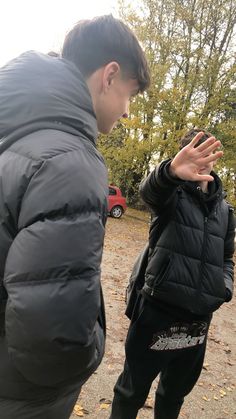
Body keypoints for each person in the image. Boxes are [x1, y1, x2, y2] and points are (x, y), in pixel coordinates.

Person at [0, 15, 150, 419]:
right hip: (26, 397)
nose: (125, 111)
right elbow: (54, 339)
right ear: (110, 75)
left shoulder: (17, 134)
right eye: (129, 95)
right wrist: (94, 350)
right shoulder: (71, 162)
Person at [110, 129, 235, 419]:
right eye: (195, 152)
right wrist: (170, 173)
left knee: (173, 395)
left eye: (207, 153)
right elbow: (150, 191)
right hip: (156, 311)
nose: (203, 160)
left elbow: (227, 258)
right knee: (131, 392)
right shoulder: (171, 195)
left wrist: (223, 287)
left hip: (199, 320)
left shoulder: (226, 212)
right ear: (183, 155)